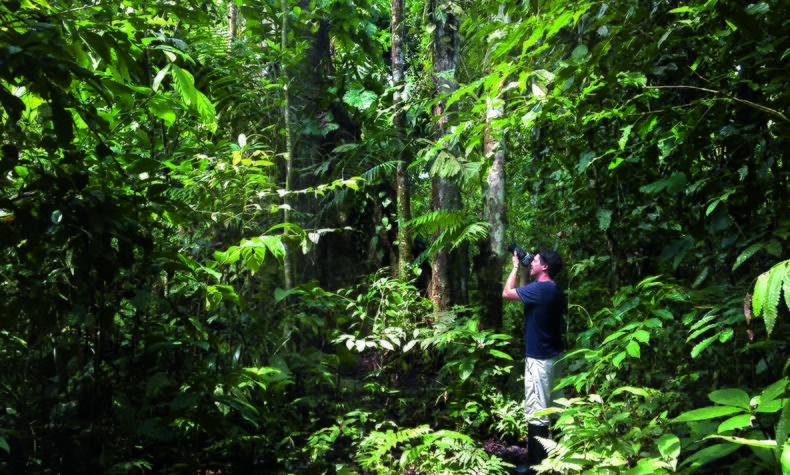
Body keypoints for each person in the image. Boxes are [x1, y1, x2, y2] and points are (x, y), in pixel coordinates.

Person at [502, 248, 566, 469]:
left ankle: (535, 465)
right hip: (556, 356)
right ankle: (558, 460)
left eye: (536, 261)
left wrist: (515, 266)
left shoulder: (539, 290)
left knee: (537, 410)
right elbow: (524, 291)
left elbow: (508, 293)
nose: (532, 263)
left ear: (545, 266)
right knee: (557, 407)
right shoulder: (554, 290)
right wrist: (525, 270)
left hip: (539, 359)